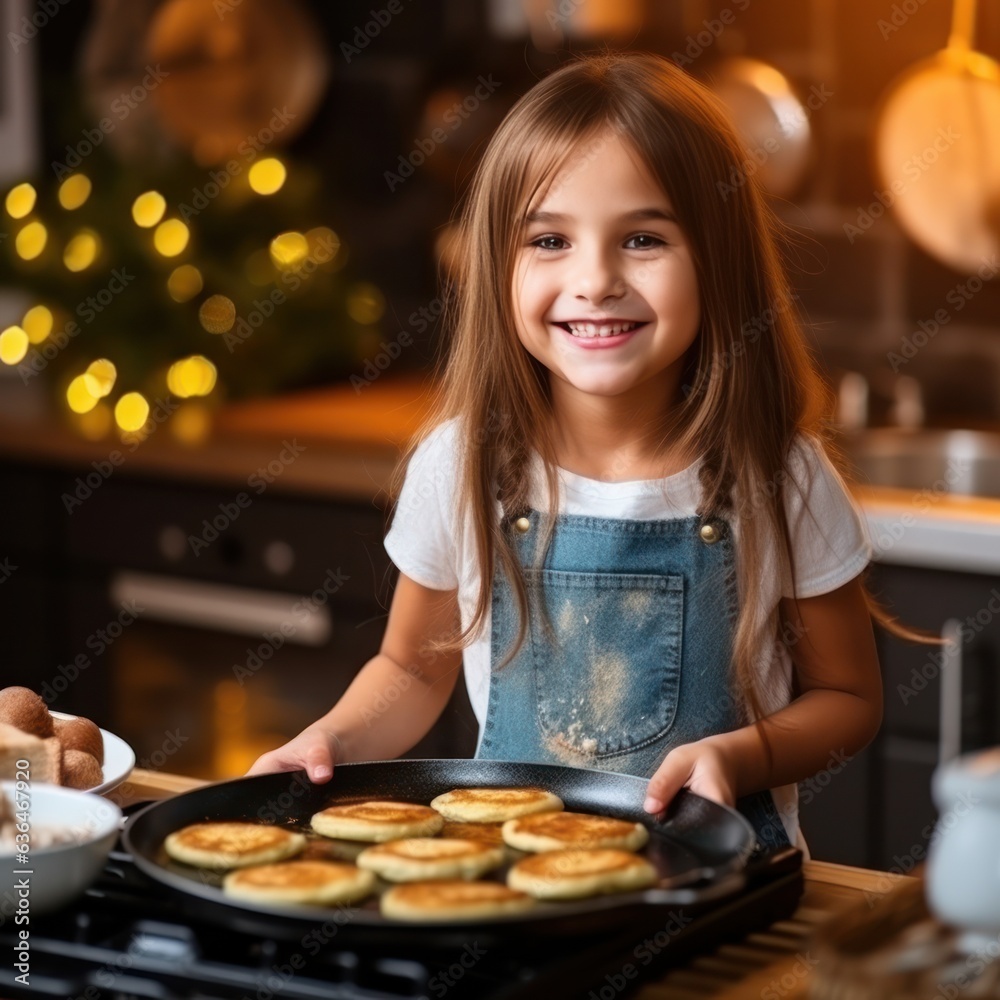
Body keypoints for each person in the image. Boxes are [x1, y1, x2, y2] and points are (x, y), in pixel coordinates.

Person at [249, 50, 927, 857]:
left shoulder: (779, 477)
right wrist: (328, 741)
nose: (595, 278)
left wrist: (741, 755)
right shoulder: (460, 464)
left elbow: (848, 696)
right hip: (517, 886)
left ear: (721, 260)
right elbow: (411, 669)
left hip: (717, 884)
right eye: (549, 240)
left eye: (642, 238)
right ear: (498, 263)